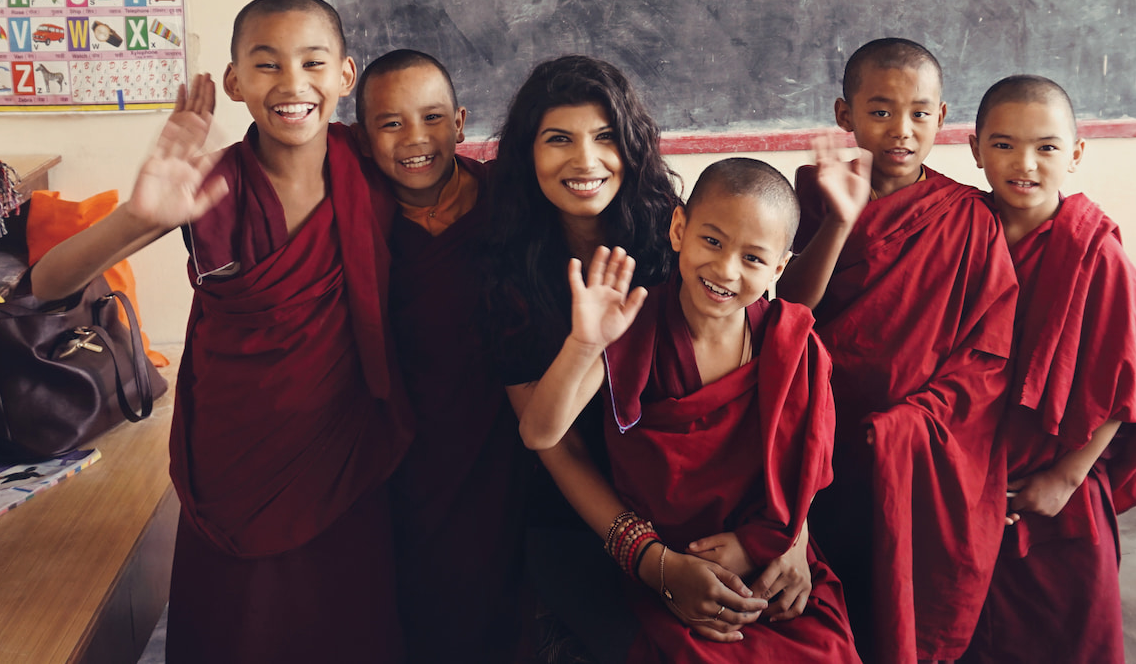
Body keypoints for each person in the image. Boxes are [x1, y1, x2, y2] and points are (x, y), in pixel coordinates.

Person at [32, 0, 410, 663]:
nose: (292, 84)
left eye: (313, 62)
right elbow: (50, 281)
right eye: (266, 65)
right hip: (239, 452)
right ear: (234, 81)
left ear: (346, 76)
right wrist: (137, 216)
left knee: (344, 621)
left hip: (343, 445)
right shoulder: (207, 184)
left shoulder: (374, 170)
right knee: (243, 627)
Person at [489, 55, 806, 660]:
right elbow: (550, 440)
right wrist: (653, 561)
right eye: (559, 139)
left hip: (712, 526)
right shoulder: (506, 275)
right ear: (528, 153)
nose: (585, 161)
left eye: (606, 137)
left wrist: (789, 537)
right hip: (584, 523)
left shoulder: (682, 243)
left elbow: (781, 402)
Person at [519, 157, 861, 662]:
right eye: (713, 241)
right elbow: (540, 433)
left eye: (752, 258)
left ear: (779, 268)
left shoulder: (792, 343)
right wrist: (585, 342)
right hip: (666, 568)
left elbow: (805, 468)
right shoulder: (633, 324)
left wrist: (783, 547)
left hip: (771, 566)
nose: (725, 270)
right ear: (679, 228)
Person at [777, 37, 1019, 664]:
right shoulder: (811, 193)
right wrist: (837, 219)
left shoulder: (968, 217)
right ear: (844, 115)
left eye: (919, 113)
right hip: (817, 427)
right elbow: (787, 310)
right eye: (880, 111)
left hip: (909, 439)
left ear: (942, 118)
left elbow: (986, 353)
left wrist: (916, 420)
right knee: (826, 591)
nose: (901, 130)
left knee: (899, 590)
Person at [967, 75, 1136, 664]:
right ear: (976, 149)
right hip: (963, 481)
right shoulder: (957, 235)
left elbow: (1131, 381)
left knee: (1069, 633)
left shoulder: (1095, 252)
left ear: (1076, 154)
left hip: (1056, 483)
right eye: (1004, 144)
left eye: (1046, 147)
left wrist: (1066, 478)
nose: (1025, 164)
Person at [356, 48, 527, 660]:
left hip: (506, 433)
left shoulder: (508, 202)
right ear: (363, 134)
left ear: (459, 124)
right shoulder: (356, 217)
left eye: (431, 119)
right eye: (390, 123)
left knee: (505, 597)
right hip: (405, 441)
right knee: (414, 601)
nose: (415, 140)